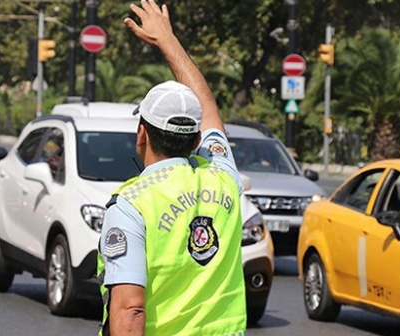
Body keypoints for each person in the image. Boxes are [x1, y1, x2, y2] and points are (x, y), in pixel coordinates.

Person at [97, 1, 247, 335]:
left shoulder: (131, 206)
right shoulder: (224, 179)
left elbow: (131, 307)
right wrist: (169, 40)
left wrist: (164, 40)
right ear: (197, 140)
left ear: (142, 133)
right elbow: (208, 110)